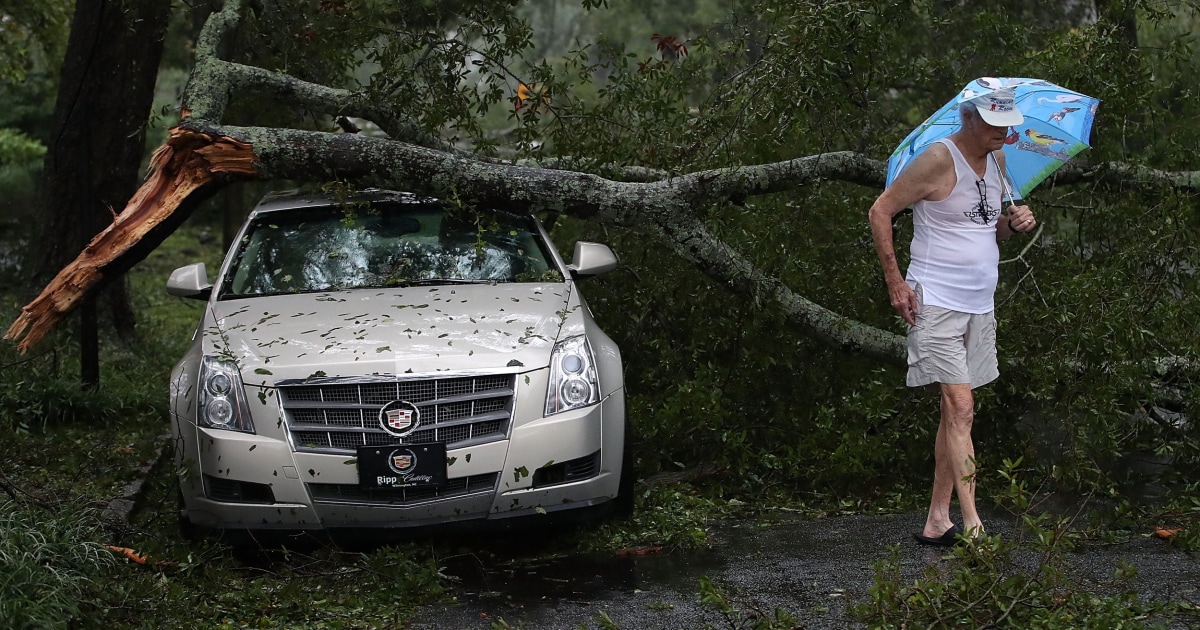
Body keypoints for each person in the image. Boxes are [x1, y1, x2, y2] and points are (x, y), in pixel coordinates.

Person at [868, 85, 1038, 545]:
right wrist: (895, 282)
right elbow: (880, 210)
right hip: (936, 300)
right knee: (962, 407)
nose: (1007, 132)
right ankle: (974, 525)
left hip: (980, 303)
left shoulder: (999, 160)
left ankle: (936, 520)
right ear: (971, 119)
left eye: (1009, 124)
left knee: (954, 414)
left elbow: (988, 228)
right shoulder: (937, 159)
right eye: (997, 125)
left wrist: (1013, 223)